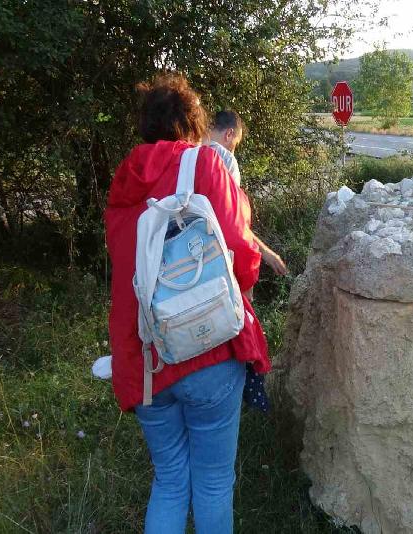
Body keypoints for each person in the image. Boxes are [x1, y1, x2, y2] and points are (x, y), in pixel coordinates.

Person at [104, 73, 269, 534]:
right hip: (209, 348)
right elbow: (243, 251)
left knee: (171, 480)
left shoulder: (122, 181)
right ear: (192, 123)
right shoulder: (205, 165)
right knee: (214, 482)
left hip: (147, 360)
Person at [205, 110, 288, 276]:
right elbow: (232, 223)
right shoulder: (225, 160)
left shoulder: (186, 151)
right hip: (212, 259)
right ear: (229, 134)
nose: (233, 150)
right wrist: (259, 259)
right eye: (235, 144)